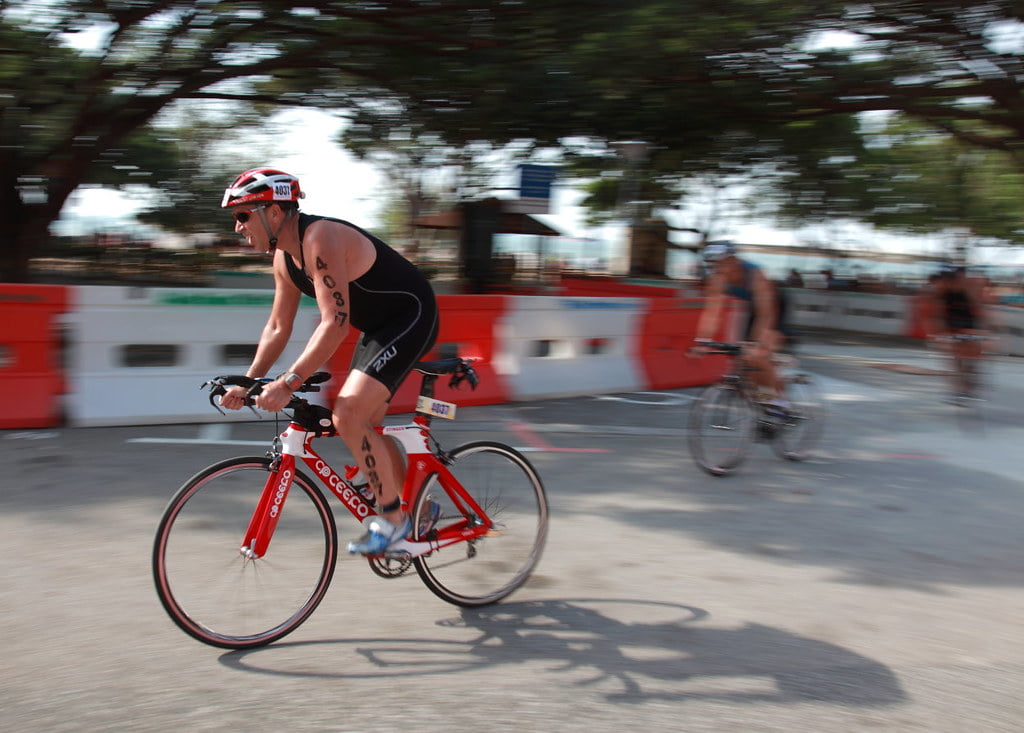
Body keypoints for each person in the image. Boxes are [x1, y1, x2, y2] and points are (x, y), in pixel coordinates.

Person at [218, 168, 439, 555]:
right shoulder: (285, 261)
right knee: (364, 422)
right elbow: (276, 327)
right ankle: (417, 513)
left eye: (242, 216)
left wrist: (287, 382)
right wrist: (250, 381)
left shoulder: (320, 237)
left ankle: (394, 524)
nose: (238, 227)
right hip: (377, 328)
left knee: (348, 414)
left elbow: (334, 324)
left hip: (412, 315)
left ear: (273, 212)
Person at [691, 241, 789, 409]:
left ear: (733, 260)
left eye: (721, 264)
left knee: (758, 356)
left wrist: (758, 343)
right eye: (713, 265)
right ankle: (765, 399)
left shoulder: (754, 275)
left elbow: (766, 315)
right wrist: (703, 340)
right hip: (751, 310)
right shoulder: (717, 279)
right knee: (744, 367)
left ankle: (780, 401)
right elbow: (711, 313)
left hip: (773, 307)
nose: (717, 269)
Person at [927, 263, 990, 399]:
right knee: (956, 356)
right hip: (953, 323)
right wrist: (939, 332)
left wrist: (984, 328)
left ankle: (969, 380)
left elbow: (978, 308)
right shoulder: (943, 290)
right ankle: (962, 385)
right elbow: (938, 312)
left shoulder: (969, 288)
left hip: (968, 323)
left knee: (971, 353)